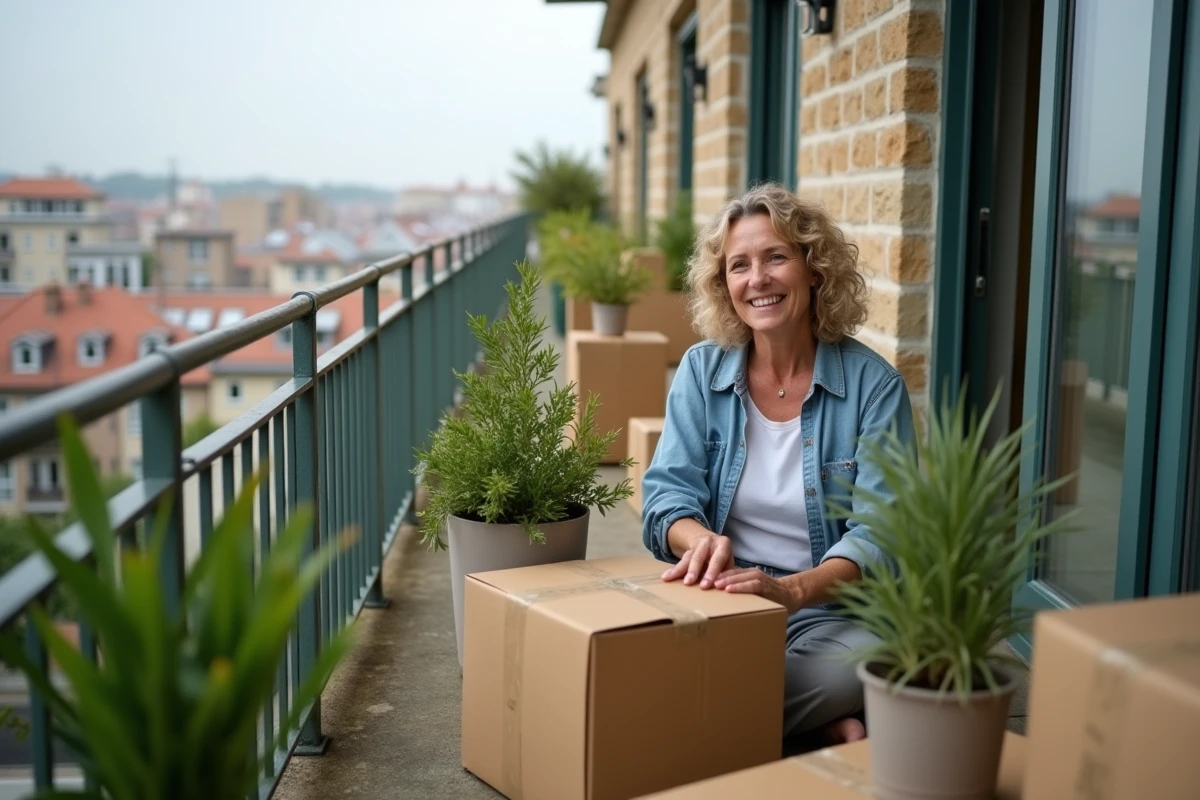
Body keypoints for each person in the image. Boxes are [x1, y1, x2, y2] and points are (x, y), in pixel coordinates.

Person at [640, 183, 915, 746]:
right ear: (725, 286)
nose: (757, 279)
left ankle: (702, 736)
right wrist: (697, 542)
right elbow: (665, 498)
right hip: (723, 596)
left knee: (852, 665)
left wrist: (790, 592)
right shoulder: (701, 370)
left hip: (832, 609)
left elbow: (881, 536)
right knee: (640, 661)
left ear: (815, 270)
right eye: (739, 265)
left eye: (776, 257)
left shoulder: (875, 386)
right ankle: (810, 734)